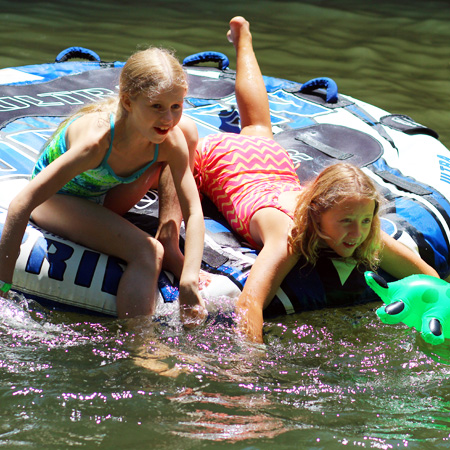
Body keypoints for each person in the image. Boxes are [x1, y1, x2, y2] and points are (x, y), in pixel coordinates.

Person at [183, 16, 439, 343]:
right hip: (222, 165)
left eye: (365, 219)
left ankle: (243, 38)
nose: (356, 232)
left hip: (269, 163)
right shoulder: (290, 235)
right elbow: (249, 303)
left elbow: (428, 276)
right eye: (346, 221)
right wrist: (253, 369)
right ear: (317, 214)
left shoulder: (362, 231)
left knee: (258, 129)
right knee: (182, 172)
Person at [0, 46, 206, 325]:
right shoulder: (96, 144)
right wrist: (2, 288)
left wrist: (189, 281)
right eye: (156, 106)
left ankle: (169, 243)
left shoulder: (169, 137)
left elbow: (193, 212)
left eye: (176, 106)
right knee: (147, 252)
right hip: (57, 200)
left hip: (104, 193)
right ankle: (139, 349)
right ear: (129, 102)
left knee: (186, 133)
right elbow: (22, 203)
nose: (168, 119)